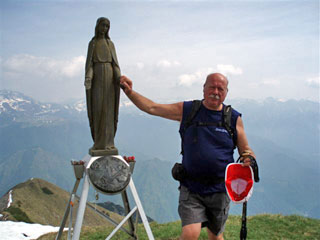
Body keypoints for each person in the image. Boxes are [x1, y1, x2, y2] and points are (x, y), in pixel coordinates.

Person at [120, 73, 255, 240]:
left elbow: (246, 150)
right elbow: (152, 108)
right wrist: (129, 92)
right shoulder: (189, 110)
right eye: (211, 87)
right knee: (190, 234)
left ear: (226, 92)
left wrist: (249, 159)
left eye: (220, 88)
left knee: (216, 236)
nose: (215, 91)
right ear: (204, 88)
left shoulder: (233, 118)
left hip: (220, 189)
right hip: (192, 187)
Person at [85, 17, 121, 156]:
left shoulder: (110, 44)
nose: (104, 28)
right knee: (98, 110)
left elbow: (115, 64)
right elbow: (90, 64)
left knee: (109, 112)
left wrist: (119, 78)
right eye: (103, 25)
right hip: (97, 81)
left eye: (107, 26)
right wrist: (89, 77)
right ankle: (99, 143)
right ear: (97, 26)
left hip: (111, 81)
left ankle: (109, 143)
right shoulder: (93, 44)